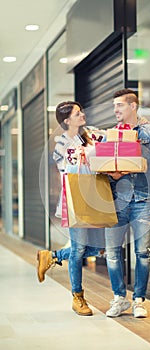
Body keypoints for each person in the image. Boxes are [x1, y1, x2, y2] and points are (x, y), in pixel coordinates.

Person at [104, 89, 150, 318]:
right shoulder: (110, 135)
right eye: (114, 105)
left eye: (120, 105)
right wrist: (111, 175)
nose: (115, 110)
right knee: (112, 253)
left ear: (133, 106)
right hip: (117, 202)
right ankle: (118, 298)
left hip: (143, 201)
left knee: (142, 252)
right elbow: (100, 170)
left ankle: (139, 300)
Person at [37, 101, 105, 316]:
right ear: (67, 121)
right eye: (77, 113)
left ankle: (53, 256)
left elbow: (111, 140)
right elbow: (70, 172)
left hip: (95, 197)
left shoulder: (90, 134)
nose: (82, 114)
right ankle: (78, 297)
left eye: (81, 111)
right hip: (75, 199)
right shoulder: (61, 145)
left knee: (101, 248)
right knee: (78, 250)